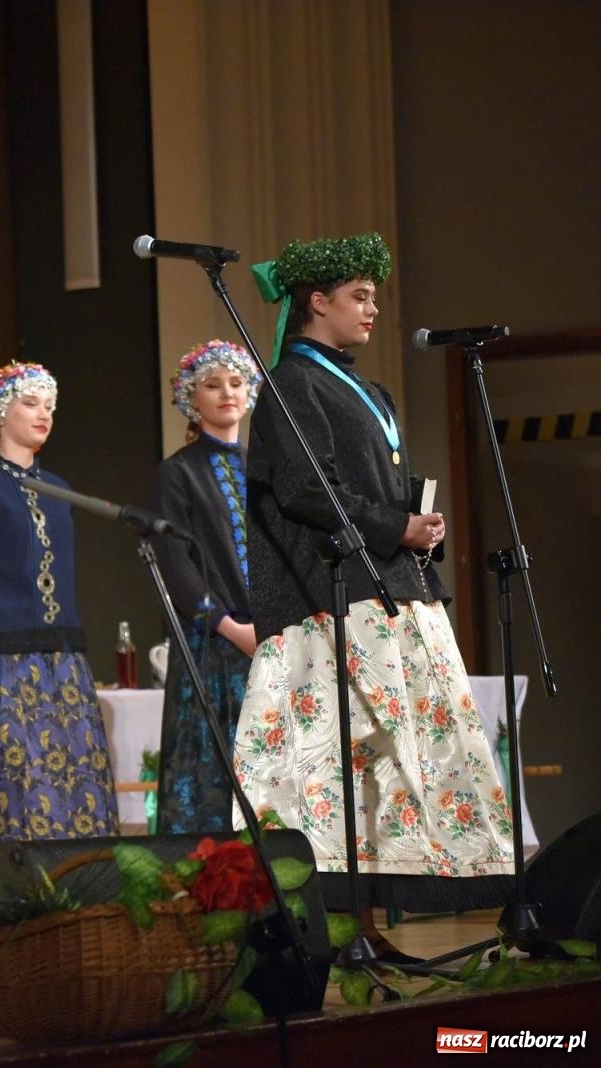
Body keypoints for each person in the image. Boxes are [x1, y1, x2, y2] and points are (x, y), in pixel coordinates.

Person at [235, 232, 514, 959]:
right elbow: (303, 487)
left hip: (389, 588)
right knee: (344, 757)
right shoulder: (292, 385)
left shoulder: (367, 388)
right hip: (332, 599)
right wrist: (397, 524)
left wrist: (416, 526)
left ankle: (374, 921)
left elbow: (369, 485)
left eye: (373, 296)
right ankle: (338, 923)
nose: (373, 309)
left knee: (394, 760)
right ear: (316, 302)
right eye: (358, 296)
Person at [0, 362, 117, 893]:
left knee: (62, 777)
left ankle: (73, 879)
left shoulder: (59, 489)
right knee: (7, 778)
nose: (43, 415)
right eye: (30, 404)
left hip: (58, 658)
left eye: (49, 407)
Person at [153, 340, 262, 834]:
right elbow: (176, 565)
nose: (226, 393)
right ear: (190, 398)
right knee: (210, 769)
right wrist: (228, 626)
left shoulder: (264, 471)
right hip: (211, 644)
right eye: (212, 385)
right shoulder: (177, 473)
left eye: (236, 383)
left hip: (270, 640)